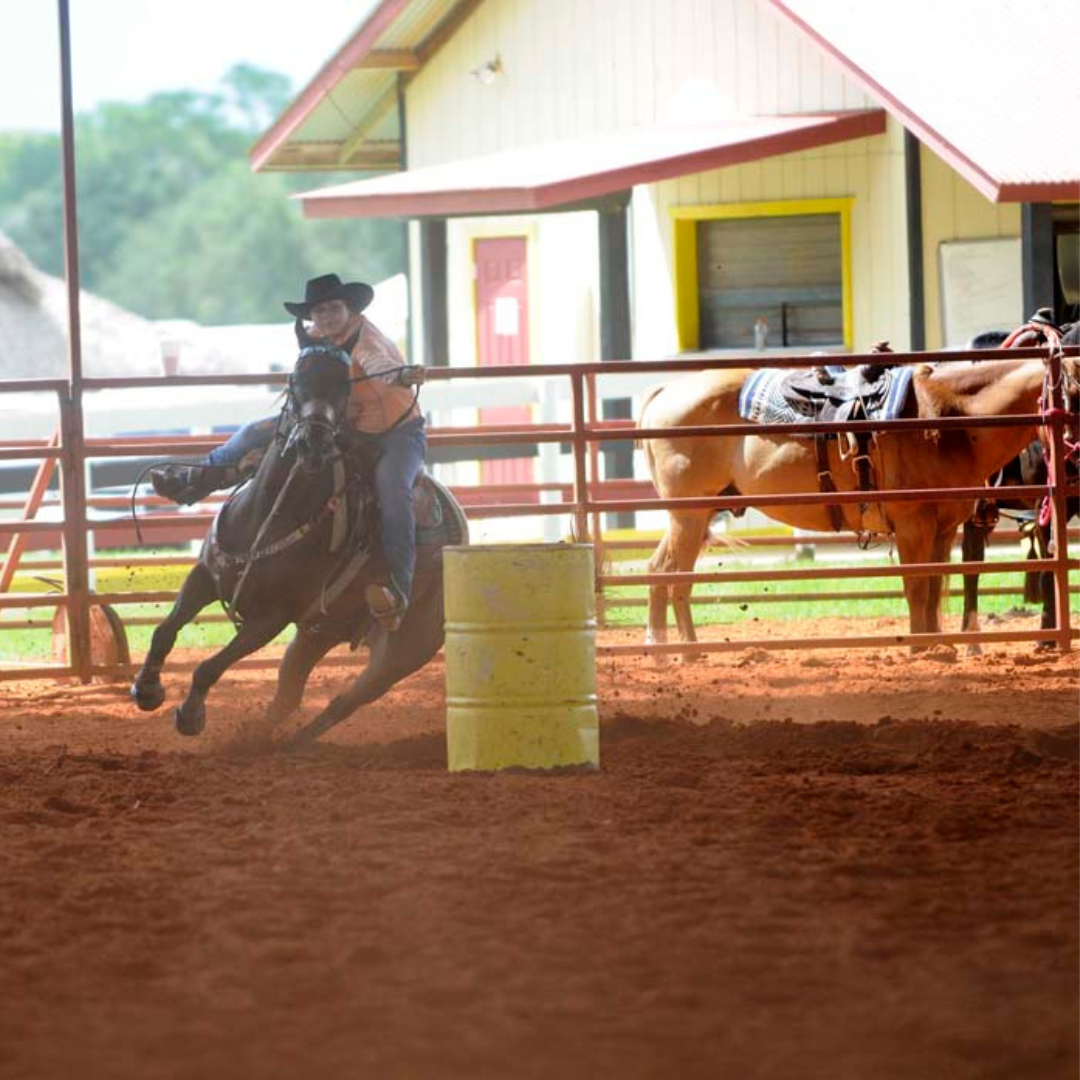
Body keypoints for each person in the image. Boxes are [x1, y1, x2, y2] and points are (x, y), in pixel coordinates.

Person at [151, 273, 426, 631]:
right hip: (342, 427)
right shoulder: (316, 339)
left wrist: (401, 376)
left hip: (395, 434)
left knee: (393, 491)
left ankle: (399, 588)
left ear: (349, 309)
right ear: (311, 317)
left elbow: (382, 369)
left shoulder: (367, 342)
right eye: (319, 310)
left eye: (334, 308)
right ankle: (195, 480)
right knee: (255, 434)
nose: (327, 316)